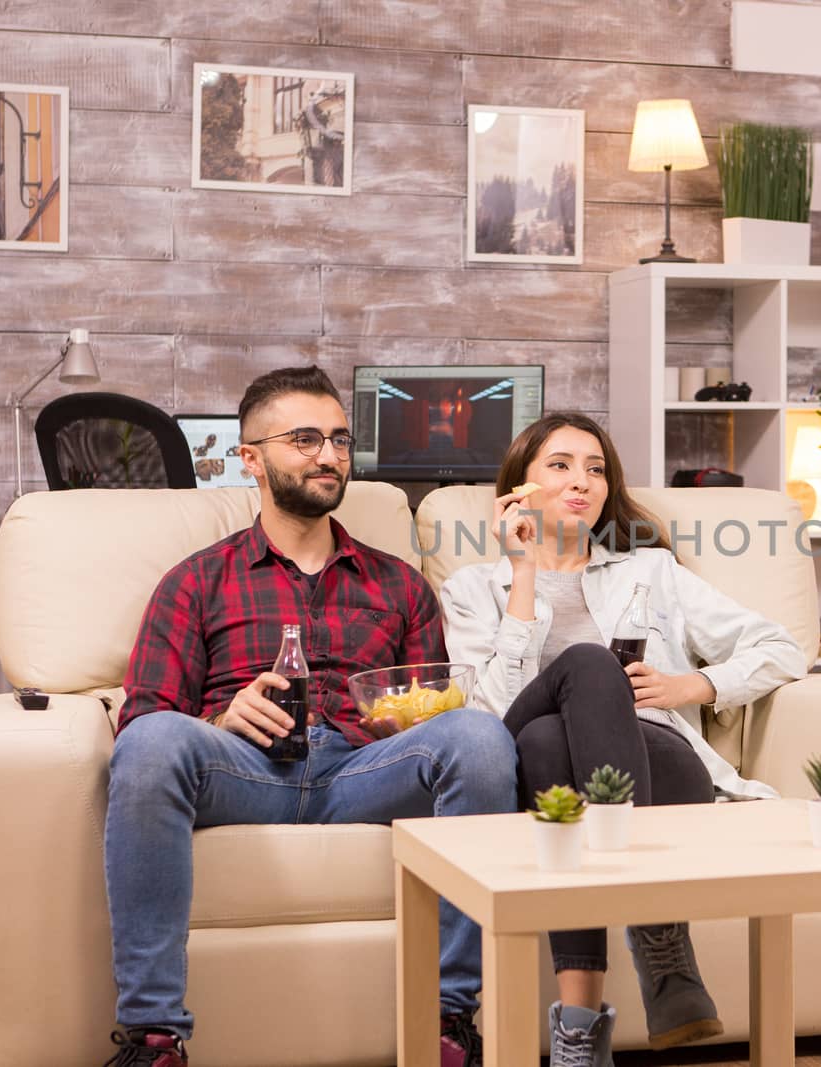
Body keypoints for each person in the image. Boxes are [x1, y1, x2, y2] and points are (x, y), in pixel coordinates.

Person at [103, 366, 516, 1067]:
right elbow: (143, 714)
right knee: (150, 741)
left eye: (339, 439)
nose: (329, 455)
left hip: (365, 770)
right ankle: (154, 1037)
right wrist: (222, 717)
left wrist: (405, 718)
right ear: (252, 458)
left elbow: (434, 708)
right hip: (245, 770)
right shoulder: (197, 579)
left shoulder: (400, 583)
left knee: (478, 735)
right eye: (305, 439)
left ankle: (449, 1021)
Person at [440, 413, 806, 1067]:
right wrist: (523, 577)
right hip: (530, 767)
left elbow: (780, 646)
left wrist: (693, 685)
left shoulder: (651, 572)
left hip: (665, 770)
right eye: (560, 465)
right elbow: (483, 718)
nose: (581, 480)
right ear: (518, 487)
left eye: (596, 467)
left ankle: (577, 1036)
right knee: (575, 684)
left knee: (560, 739)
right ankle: (660, 940)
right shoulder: (473, 588)